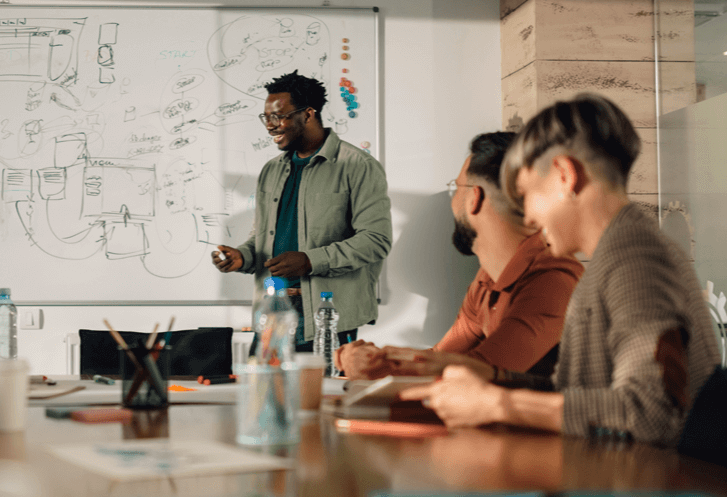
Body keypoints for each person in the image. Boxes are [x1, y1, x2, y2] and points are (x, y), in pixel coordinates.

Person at [401, 94, 720, 446]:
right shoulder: (614, 255)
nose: (528, 217)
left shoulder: (635, 260)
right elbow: (578, 395)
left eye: (526, 194)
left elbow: (650, 414)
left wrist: (498, 403)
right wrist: (492, 376)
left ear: (566, 176)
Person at [335, 132, 584, 379]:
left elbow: (479, 372)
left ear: (474, 198)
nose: (452, 201)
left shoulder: (553, 279)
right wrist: (369, 358)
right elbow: (442, 357)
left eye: (455, 189)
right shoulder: (487, 278)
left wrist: (375, 365)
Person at [212, 71, 392, 350]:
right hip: (272, 312)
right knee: (263, 380)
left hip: (327, 317)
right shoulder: (272, 170)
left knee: (323, 381)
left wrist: (310, 260)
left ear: (308, 114)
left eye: (278, 116)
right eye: (266, 117)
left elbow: (375, 240)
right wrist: (243, 257)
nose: (270, 126)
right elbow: (262, 237)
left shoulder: (358, 166)